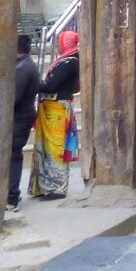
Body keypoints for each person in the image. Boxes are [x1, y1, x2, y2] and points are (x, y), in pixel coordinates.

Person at [30, 30, 80, 199]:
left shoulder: (70, 61)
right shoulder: (68, 60)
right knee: (45, 148)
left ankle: (56, 187)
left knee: (54, 148)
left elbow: (51, 86)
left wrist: (36, 84)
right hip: (52, 108)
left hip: (57, 109)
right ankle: (45, 186)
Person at [8, 34, 40, 211]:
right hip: (21, 117)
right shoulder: (25, 65)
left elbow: (14, 98)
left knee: (12, 156)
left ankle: (11, 196)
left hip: (19, 119)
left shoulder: (22, 69)